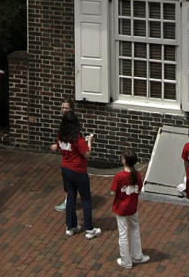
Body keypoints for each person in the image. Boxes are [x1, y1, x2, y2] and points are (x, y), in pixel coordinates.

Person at [51, 105, 101, 239]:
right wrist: (89, 142)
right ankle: (89, 229)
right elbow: (87, 155)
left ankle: (70, 226)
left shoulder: (60, 137)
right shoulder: (78, 139)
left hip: (65, 169)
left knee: (71, 197)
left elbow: (62, 150)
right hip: (78, 170)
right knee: (86, 199)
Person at [111, 149, 149, 268]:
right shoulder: (136, 174)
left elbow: (113, 192)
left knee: (123, 234)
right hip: (133, 207)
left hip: (121, 209)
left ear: (124, 161)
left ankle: (126, 262)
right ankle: (137, 256)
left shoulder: (119, 176)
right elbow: (139, 188)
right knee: (135, 229)